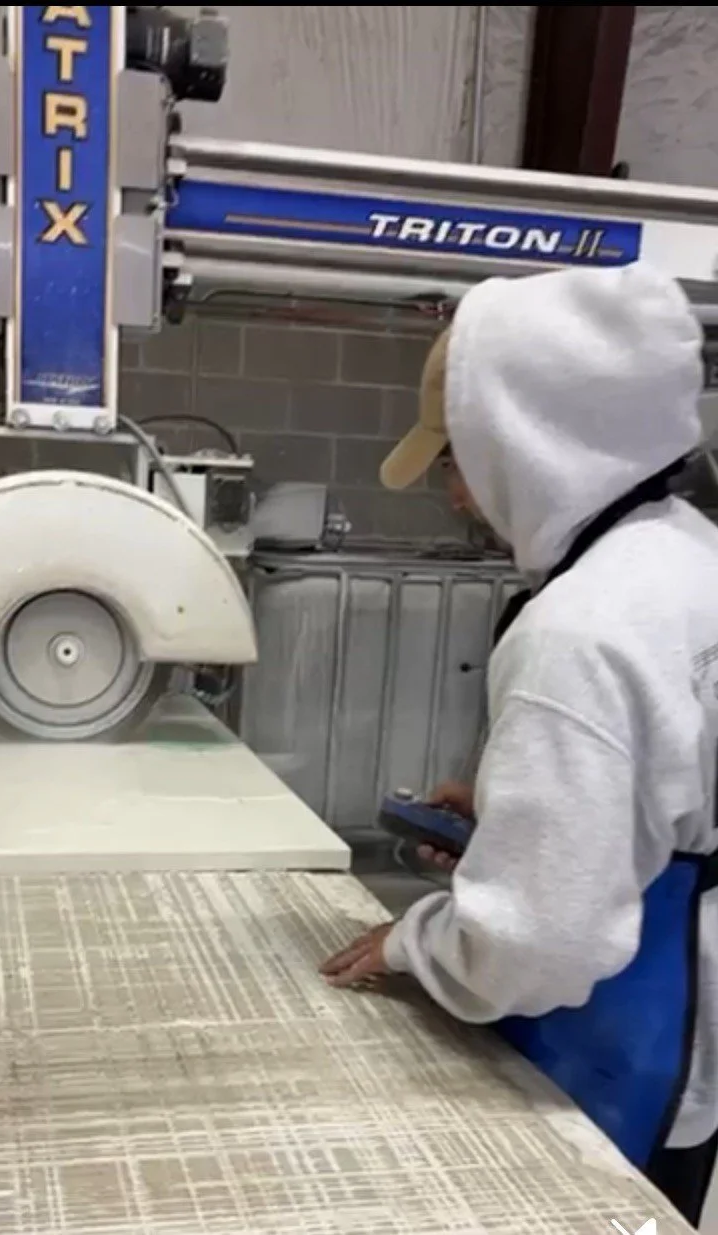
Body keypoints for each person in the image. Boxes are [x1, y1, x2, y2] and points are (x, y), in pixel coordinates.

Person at [320, 262, 718, 1227]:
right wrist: (515, 824)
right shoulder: (690, 550)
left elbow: (539, 946)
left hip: (635, 1034)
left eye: (458, 457)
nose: (458, 495)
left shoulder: (580, 631)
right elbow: (663, 790)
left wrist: (418, 945)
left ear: (531, 441)